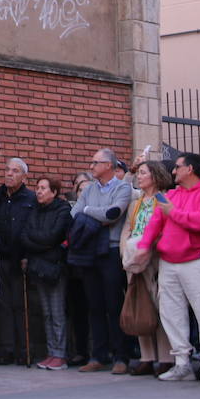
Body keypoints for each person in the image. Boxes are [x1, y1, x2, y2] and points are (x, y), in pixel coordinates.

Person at [133, 152, 200, 383]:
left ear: (190, 169)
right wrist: (144, 245)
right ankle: (182, 363)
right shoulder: (169, 195)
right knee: (171, 313)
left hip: (197, 260)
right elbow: (155, 221)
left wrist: (173, 212)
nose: (173, 171)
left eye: (178, 167)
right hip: (169, 261)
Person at [71, 148, 134, 373]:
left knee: (114, 304)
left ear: (109, 165)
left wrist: (89, 212)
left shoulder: (123, 187)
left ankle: (121, 356)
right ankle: (98, 355)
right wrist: (93, 212)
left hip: (111, 251)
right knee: (94, 305)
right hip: (90, 251)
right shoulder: (89, 190)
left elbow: (113, 214)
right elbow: (74, 215)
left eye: (96, 163)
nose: (91, 166)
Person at [121, 161, 173, 375]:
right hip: (133, 259)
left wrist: (150, 248)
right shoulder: (136, 202)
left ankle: (166, 357)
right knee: (139, 303)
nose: (139, 177)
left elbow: (167, 227)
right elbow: (127, 228)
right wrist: (125, 251)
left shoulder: (163, 200)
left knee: (159, 305)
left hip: (155, 258)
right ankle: (147, 356)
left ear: (155, 176)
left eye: (143, 173)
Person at [0, 158, 38, 365]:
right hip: (1, 258)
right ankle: (6, 349)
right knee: (3, 305)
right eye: (7, 170)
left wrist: (27, 254)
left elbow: (32, 227)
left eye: (15, 171)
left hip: (22, 258)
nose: (9, 174)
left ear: (24, 176)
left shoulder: (31, 198)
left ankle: (24, 349)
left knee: (21, 305)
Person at [23, 176, 72, 370]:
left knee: (57, 312)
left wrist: (40, 242)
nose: (39, 191)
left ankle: (60, 354)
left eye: (43, 188)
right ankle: (51, 352)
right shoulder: (34, 209)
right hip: (38, 266)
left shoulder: (62, 210)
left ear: (54, 192)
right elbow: (24, 235)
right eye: (37, 187)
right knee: (46, 313)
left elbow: (53, 236)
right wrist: (41, 243)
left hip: (55, 267)